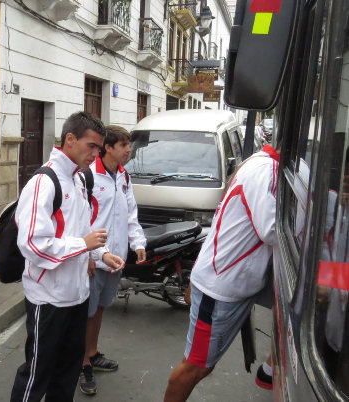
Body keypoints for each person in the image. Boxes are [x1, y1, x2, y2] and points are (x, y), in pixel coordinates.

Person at [10, 112, 125, 402]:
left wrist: (102, 254)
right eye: (91, 146)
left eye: (99, 148)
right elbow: (33, 245)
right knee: (37, 373)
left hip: (77, 295)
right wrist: (83, 246)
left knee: (67, 373)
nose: (95, 153)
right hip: (48, 298)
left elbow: (83, 230)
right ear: (70, 140)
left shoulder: (79, 178)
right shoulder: (43, 183)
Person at [163, 143, 280, 402]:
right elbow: (272, 230)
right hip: (221, 286)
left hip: (233, 280)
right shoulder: (264, 171)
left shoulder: (263, 164)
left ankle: (270, 370)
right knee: (196, 366)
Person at [79, 125, 147, 395]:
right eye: (124, 145)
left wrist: (138, 244)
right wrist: (87, 255)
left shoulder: (123, 176)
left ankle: (92, 353)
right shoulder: (88, 176)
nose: (129, 150)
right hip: (93, 259)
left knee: (101, 308)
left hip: (115, 258)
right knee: (87, 312)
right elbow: (79, 219)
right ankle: (82, 362)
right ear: (108, 147)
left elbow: (131, 213)